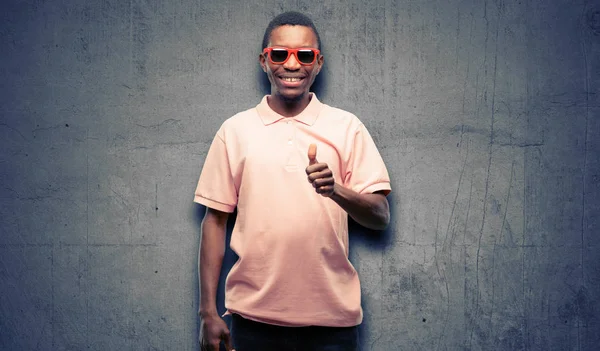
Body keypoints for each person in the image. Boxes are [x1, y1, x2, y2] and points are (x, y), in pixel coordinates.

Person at [194, 11, 392, 351]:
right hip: (253, 320)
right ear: (263, 60)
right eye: (279, 54)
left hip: (332, 323)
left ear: (318, 63)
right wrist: (208, 313)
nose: (291, 64)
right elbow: (215, 221)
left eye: (304, 55)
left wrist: (336, 190)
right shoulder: (235, 131)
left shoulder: (347, 127)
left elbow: (380, 216)